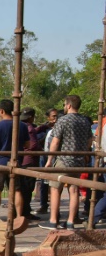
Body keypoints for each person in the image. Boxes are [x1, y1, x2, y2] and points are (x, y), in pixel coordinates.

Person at [43, 95, 93, 230]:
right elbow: (90, 139)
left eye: (65, 104)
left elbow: (55, 141)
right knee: (74, 190)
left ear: (69, 105)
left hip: (63, 160)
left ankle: (53, 221)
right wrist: (86, 153)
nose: (64, 107)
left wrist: (49, 159)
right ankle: (71, 221)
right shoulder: (85, 121)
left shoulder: (63, 120)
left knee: (55, 188)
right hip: (78, 161)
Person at [0, 99, 30, 218]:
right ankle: (19, 217)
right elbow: (28, 145)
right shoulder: (22, 125)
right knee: (16, 191)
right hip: (15, 161)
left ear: (1, 111)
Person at [18, 107, 42, 220]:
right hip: (29, 161)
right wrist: (40, 147)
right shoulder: (30, 128)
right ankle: (25, 212)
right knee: (27, 188)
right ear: (31, 117)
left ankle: (22, 211)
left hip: (22, 160)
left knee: (23, 188)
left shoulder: (20, 126)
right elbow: (32, 146)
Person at [35, 108, 59, 215]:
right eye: (53, 116)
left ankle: (56, 209)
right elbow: (36, 139)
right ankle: (43, 205)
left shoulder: (61, 126)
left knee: (57, 183)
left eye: (57, 116)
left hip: (57, 158)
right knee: (44, 182)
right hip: (45, 156)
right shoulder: (44, 129)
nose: (55, 119)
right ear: (48, 117)